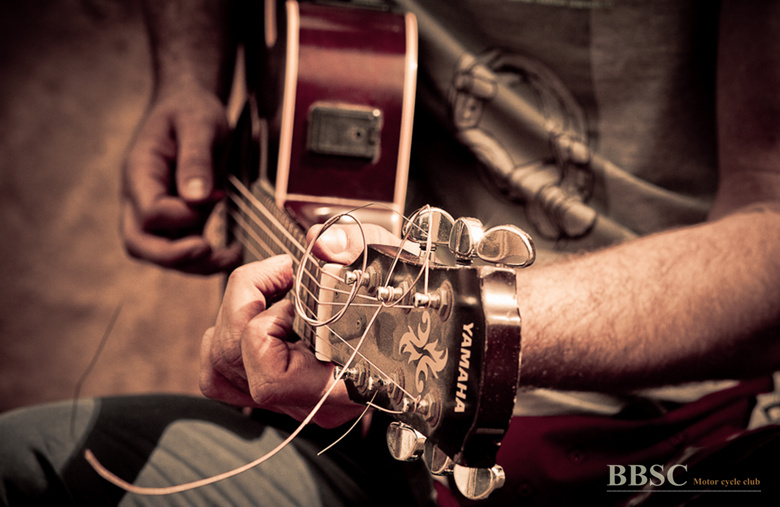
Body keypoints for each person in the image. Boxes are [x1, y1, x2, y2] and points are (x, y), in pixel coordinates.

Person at [3, 0, 780, 505]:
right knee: (22, 463)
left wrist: (438, 331)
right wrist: (186, 79)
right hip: (364, 435)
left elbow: (771, 221)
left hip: (670, 440)